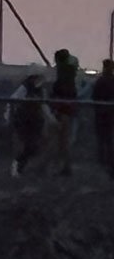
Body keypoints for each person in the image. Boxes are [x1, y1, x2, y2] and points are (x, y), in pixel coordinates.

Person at [7, 70, 52, 177]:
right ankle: (17, 166)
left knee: (34, 146)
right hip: (24, 120)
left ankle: (20, 165)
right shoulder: (25, 88)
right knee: (28, 145)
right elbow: (13, 100)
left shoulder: (41, 90)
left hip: (35, 121)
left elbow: (43, 105)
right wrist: (9, 116)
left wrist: (51, 119)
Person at [48, 48, 78, 177]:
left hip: (62, 112)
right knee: (63, 141)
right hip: (66, 111)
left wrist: (55, 107)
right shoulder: (70, 73)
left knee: (60, 141)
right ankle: (64, 166)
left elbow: (60, 93)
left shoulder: (63, 76)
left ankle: (61, 167)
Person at [92, 59, 114, 178]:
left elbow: (95, 96)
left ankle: (104, 159)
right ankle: (107, 159)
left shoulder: (101, 81)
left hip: (102, 113)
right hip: (107, 113)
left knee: (103, 138)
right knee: (107, 138)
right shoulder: (107, 81)